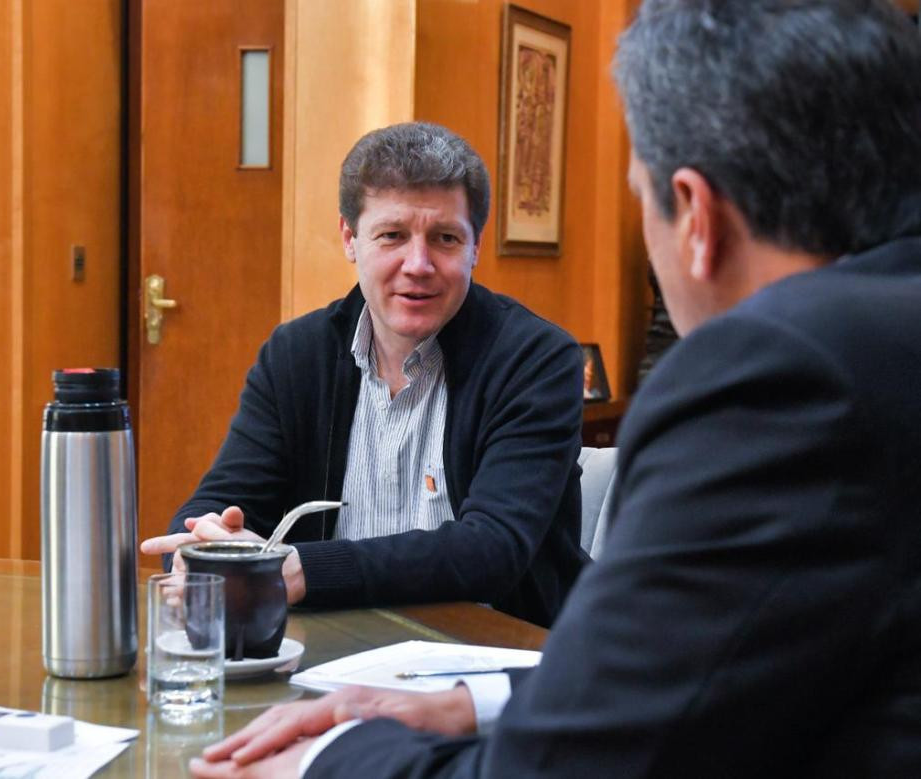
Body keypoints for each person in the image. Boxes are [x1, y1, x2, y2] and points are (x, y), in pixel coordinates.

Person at [189, 0, 921, 775]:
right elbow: (748, 662)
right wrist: (476, 701)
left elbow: (571, 761)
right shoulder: (879, 335)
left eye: (640, 198)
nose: (417, 263)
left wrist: (324, 756)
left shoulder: (777, 378)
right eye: (391, 236)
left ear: (696, 215)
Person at [140, 122, 587, 627]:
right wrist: (203, 549)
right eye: (392, 236)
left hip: (498, 661)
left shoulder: (535, 359)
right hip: (331, 655)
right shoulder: (296, 354)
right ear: (350, 238)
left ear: (475, 247)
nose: (418, 264)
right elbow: (222, 501)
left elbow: (493, 548)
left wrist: (301, 570)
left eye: (444, 238)